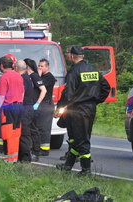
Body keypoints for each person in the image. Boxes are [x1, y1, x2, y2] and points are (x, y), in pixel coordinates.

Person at [55, 45, 110, 175]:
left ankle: (86, 170)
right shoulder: (93, 70)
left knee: (82, 139)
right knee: (75, 138)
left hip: (77, 110)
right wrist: (95, 100)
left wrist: (59, 107)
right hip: (90, 109)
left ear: (73, 56)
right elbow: (106, 87)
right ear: (83, 56)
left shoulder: (74, 71)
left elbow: (68, 93)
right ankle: (68, 166)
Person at [0, 56, 24, 163]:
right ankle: (13, 158)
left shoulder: (4, 77)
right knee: (16, 133)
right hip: (19, 107)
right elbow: (22, 93)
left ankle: (10, 159)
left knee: (8, 134)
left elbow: (1, 96)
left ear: (1, 65)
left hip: (9, 108)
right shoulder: (19, 76)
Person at [23, 58, 47, 161]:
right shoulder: (29, 77)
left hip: (33, 106)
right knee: (29, 129)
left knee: (33, 130)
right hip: (29, 106)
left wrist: (37, 103)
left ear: (27, 66)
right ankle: (30, 151)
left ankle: (36, 152)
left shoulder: (34, 76)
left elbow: (43, 90)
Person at [36, 58, 56, 156]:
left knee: (44, 128)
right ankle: (38, 147)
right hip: (41, 104)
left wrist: (38, 76)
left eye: (41, 66)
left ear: (47, 67)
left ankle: (44, 149)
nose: (39, 68)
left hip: (46, 104)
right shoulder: (42, 76)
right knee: (38, 126)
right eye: (38, 66)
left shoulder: (49, 77)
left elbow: (39, 85)